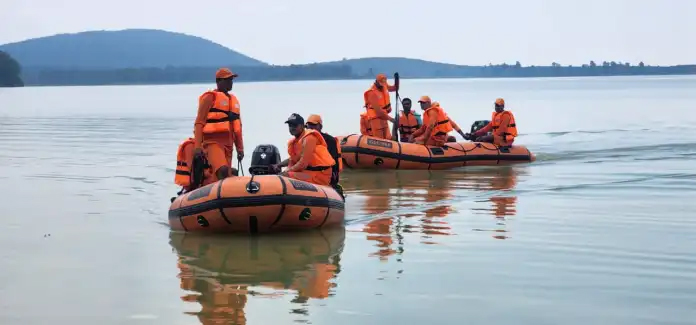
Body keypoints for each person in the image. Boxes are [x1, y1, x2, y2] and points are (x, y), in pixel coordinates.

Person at [192, 68, 244, 184]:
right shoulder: (209, 97)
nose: (230, 82)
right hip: (212, 142)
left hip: (229, 144)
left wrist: (240, 148)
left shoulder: (233, 101)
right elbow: (199, 123)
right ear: (218, 81)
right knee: (223, 171)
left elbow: (238, 128)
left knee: (230, 174)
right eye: (227, 80)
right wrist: (197, 146)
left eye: (231, 79)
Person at [272, 113, 336, 186]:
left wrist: (286, 171)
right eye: (290, 125)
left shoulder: (309, 138)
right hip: (309, 172)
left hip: (319, 175)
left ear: (302, 126)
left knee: (284, 176)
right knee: (282, 174)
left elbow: (303, 164)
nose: (292, 128)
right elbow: (293, 159)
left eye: (295, 125)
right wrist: (278, 165)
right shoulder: (296, 141)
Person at [305, 114, 343, 186]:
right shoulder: (304, 140)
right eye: (308, 125)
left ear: (320, 126)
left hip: (324, 176)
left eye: (313, 125)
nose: (310, 127)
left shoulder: (330, 140)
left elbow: (334, 161)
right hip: (309, 174)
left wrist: (334, 178)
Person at [364, 73, 399, 140]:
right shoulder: (371, 93)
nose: (382, 86)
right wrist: (391, 119)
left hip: (384, 117)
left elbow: (395, 88)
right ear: (376, 81)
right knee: (379, 141)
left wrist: (397, 79)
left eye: (383, 83)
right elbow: (378, 112)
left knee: (388, 139)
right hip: (376, 119)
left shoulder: (384, 85)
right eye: (380, 84)